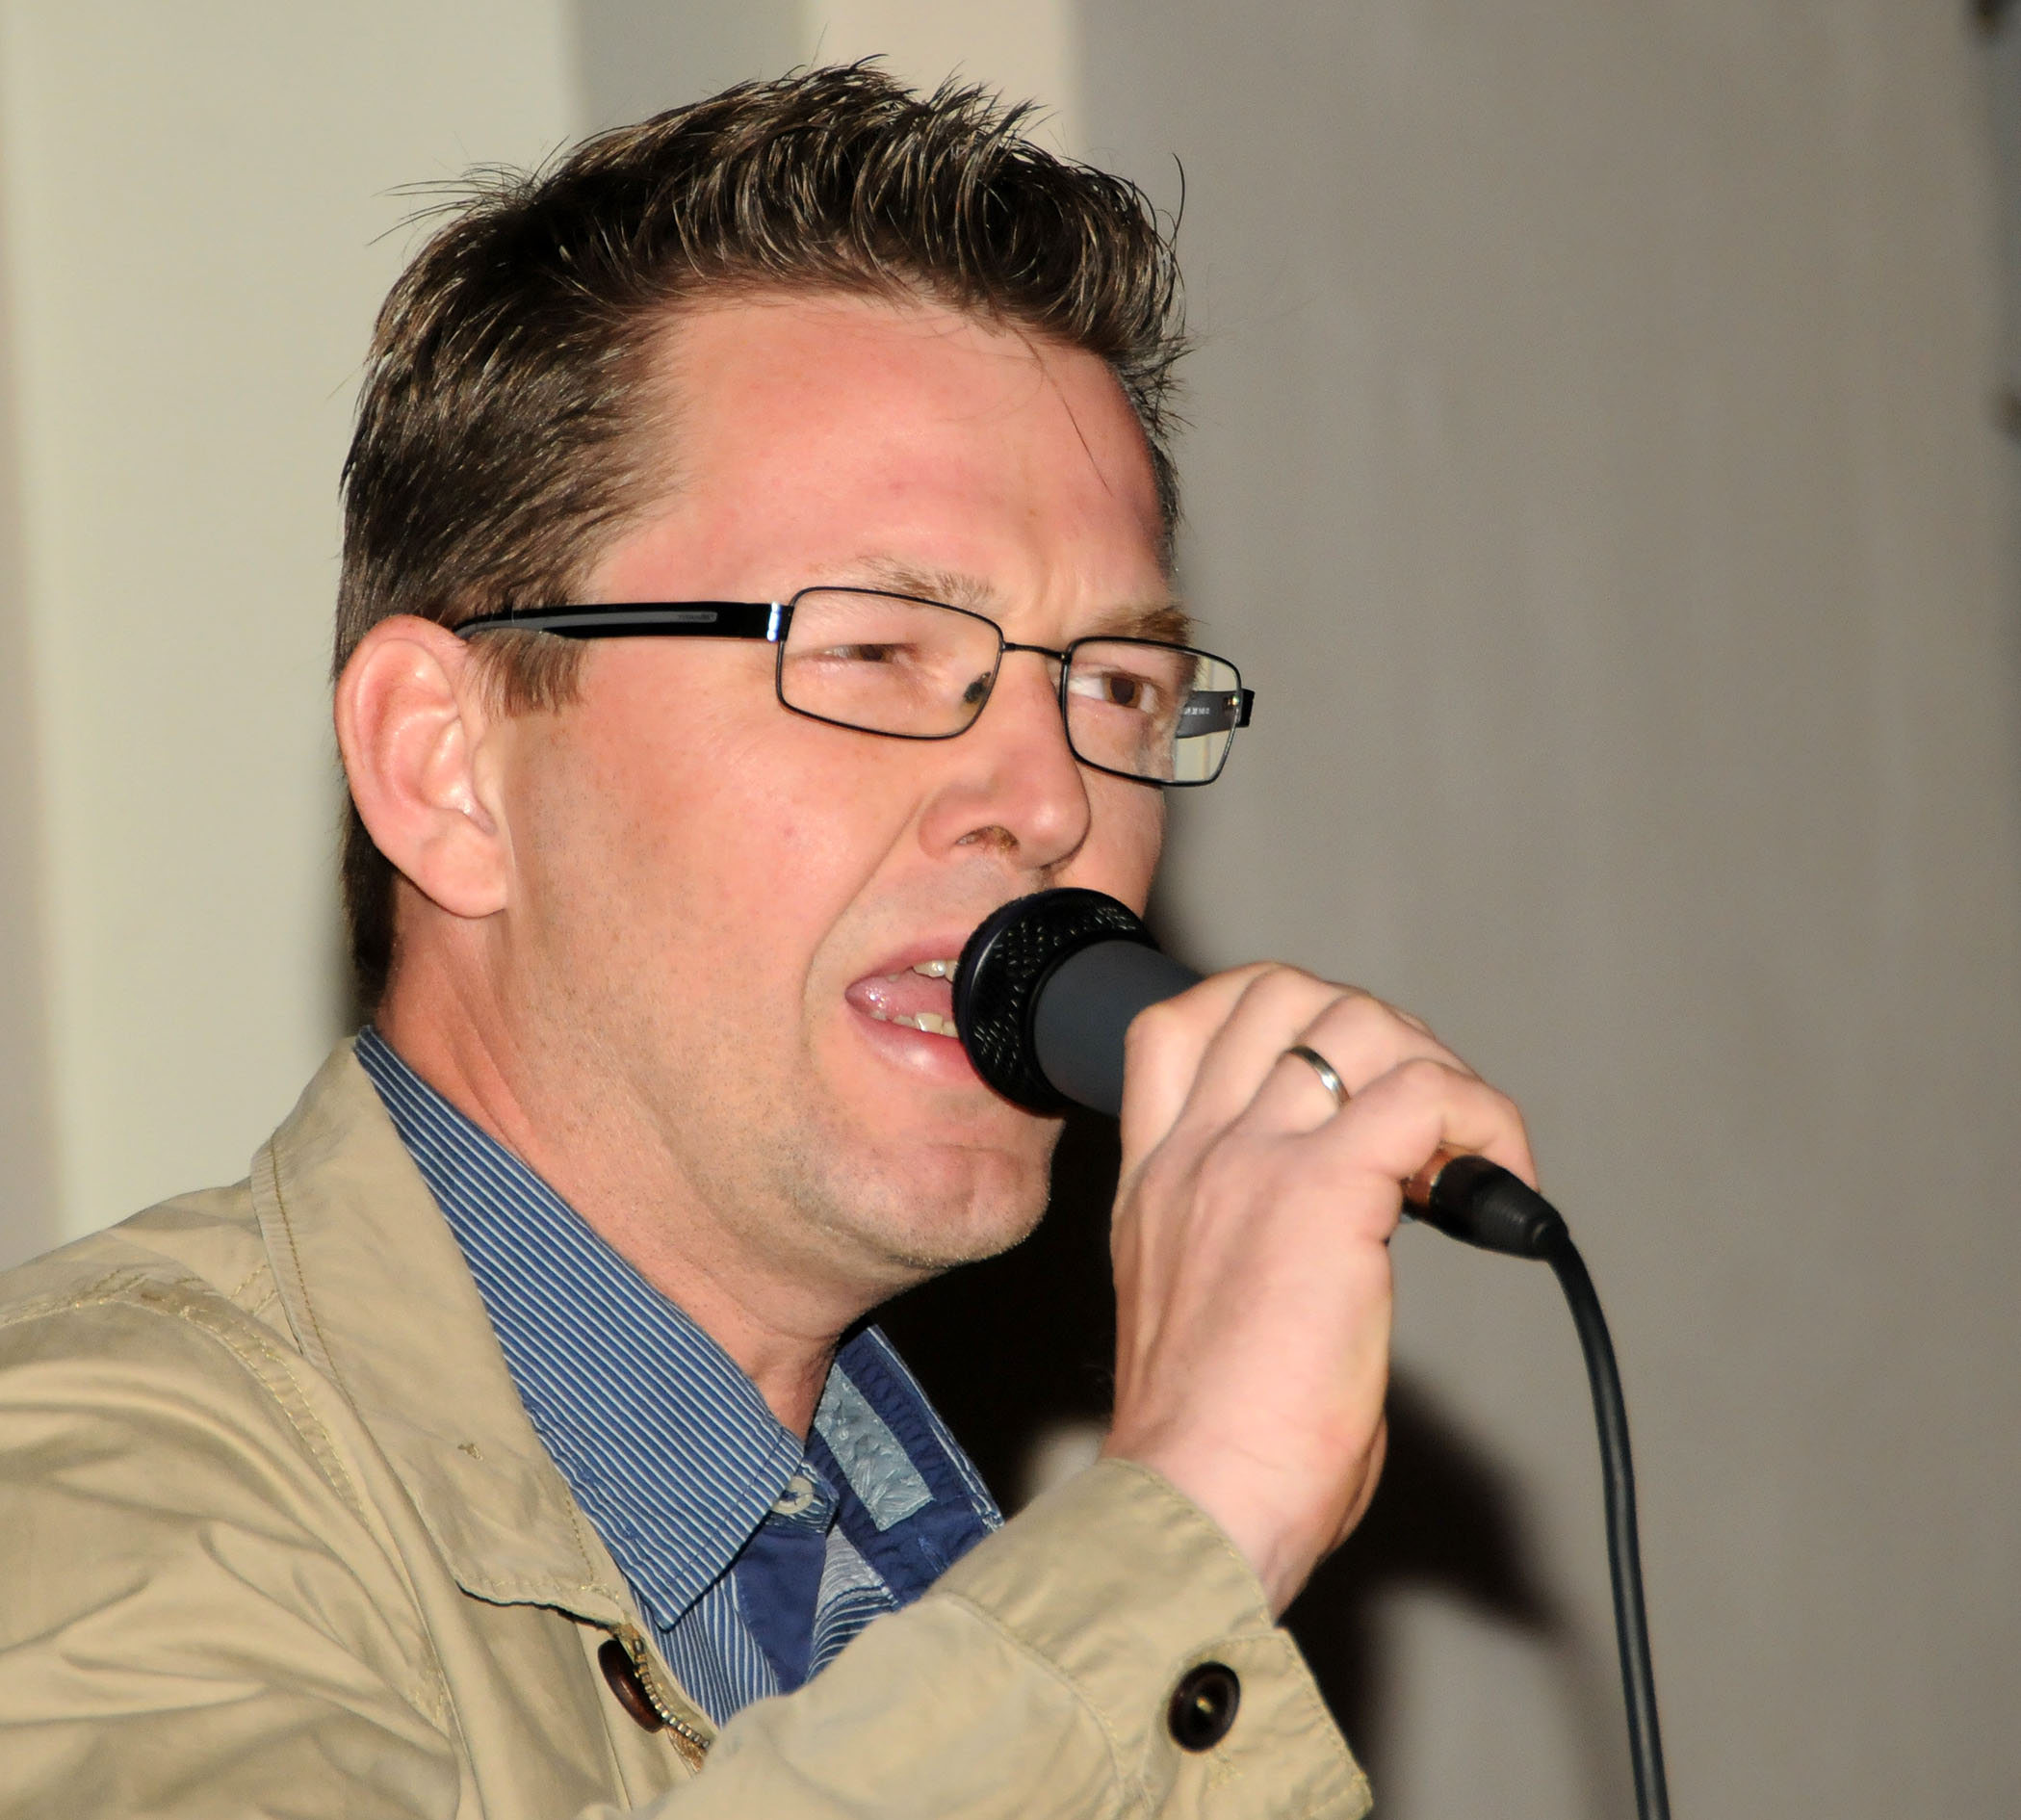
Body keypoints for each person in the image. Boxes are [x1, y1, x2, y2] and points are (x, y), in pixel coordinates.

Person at [0, 66, 1535, 1819]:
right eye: (877, 651)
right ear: (446, 767)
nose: (1051, 798)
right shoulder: (96, 1486)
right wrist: (1187, 1514)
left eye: (1116, 684)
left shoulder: (947, 1606)